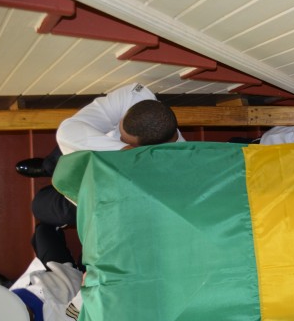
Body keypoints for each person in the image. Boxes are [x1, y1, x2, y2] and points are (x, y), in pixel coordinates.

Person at [29, 83, 184, 228]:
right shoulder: (135, 97)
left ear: (145, 148)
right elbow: (68, 131)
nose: (120, 138)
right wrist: (124, 150)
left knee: (39, 206)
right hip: (89, 148)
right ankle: (47, 168)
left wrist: (123, 155)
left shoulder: (172, 168)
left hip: (95, 191)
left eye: (124, 140)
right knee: (63, 150)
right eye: (120, 130)